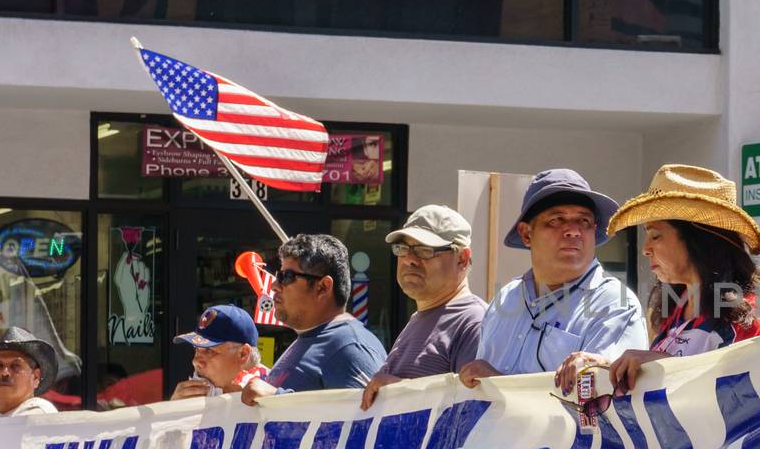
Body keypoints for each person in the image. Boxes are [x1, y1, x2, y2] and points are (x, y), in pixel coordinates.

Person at [553, 165, 760, 400]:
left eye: (656, 235)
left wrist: (662, 363)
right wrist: (606, 366)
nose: (645, 249)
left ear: (698, 240)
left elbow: (735, 398)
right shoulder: (676, 307)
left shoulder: (746, 314)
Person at [458, 169, 645, 385]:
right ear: (526, 234)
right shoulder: (505, 299)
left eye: (584, 221)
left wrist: (498, 385)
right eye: (557, 220)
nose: (573, 231)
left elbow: (606, 400)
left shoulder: (615, 303)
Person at [362, 205, 487, 410]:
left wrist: (397, 392)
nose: (410, 259)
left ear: (462, 259)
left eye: (425, 250)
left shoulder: (474, 321)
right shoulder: (419, 318)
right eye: (403, 249)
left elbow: (470, 414)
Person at [241, 234, 386, 404]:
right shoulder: (309, 338)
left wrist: (278, 398)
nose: (274, 286)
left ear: (323, 287)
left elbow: (369, 423)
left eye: (286, 277)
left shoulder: (351, 347)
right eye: (278, 276)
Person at [170, 305, 265, 400]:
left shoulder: (273, 398)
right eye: (196, 349)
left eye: (209, 350)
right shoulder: (194, 400)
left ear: (243, 354)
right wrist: (172, 411)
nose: (195, 362)